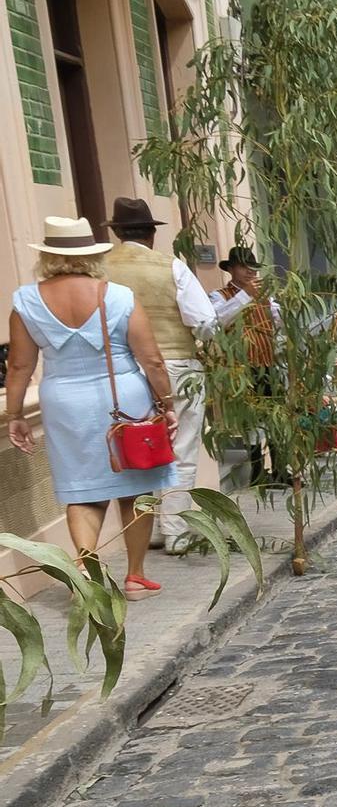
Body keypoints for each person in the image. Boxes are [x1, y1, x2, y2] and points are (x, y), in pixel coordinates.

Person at [6, 217, 177, 599]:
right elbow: (152, 361)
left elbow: (19, 366)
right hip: (124, 399)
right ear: (93, 256)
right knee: (137, 487)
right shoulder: (118, 296)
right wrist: (167, 405)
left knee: (81, 490)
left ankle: (85, 566)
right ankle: (135, 577)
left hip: (65, 402)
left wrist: (15, 414)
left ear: (48, 256)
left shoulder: (26, 301)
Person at [101, 197, 216, 555]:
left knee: (139, 447)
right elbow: (204, 319)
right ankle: (176, 531)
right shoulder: (171, 267)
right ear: (152, 234)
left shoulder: (99, 270)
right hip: (175, 364)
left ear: (118, 233)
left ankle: (146, 528)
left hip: (121, 372)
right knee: (180, 447)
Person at [210, 247, 286, 488]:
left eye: (252, 268)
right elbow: (218, 320)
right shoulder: (219, 296)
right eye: (243, 267)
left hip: (268, 363)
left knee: (274, 418)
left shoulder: (267, 297)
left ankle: (280, 468)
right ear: (231, 269)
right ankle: (257, 469)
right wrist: (245, 296)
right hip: (240, 368)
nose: (249, 272)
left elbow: (279, 325)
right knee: (251, 420)